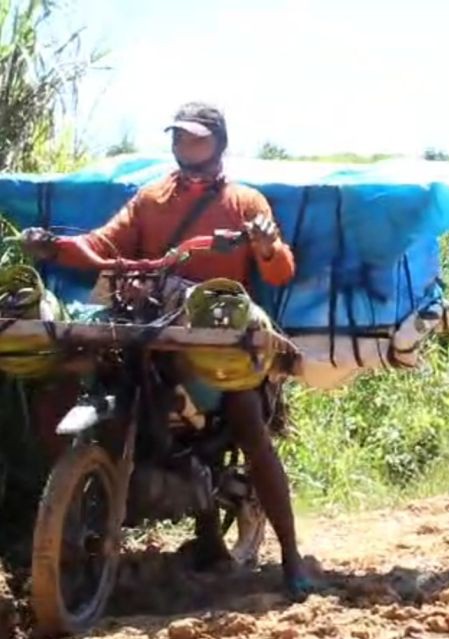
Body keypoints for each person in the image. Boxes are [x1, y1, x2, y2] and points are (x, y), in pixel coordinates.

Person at [20, 101, 316, 600]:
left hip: (217, 337)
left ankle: (290, 557)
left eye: (197, 138)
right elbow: (100, 244)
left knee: (248, 422)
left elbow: (279, 269)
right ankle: (74, 517)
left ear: (218, 143)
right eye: (180, 137)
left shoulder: (246, 202)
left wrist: (265, 247)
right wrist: (53, 245)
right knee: (69, 376)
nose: (187, 146)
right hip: (145, 322)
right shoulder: (150, 199)